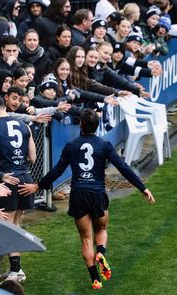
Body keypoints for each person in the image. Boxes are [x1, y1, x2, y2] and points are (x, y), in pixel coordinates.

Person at [18, 109, 155, 290]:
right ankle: (101, 252)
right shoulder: (104, 145)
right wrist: (142, 187)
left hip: (79, 194)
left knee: (85, 238)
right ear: (97, 125)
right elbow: (122, 167)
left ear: (81, 124)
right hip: (97, 193)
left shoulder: (71, 146)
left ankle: (95, 279)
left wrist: (38, 186)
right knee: (102, 228)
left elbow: (57, 171)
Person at [0, 95, 37, 282]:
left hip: (8, 178)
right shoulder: (25, 126)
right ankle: (16, 269)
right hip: (25, 177)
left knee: (8, 225)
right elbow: (33, 158)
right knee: (16, 222)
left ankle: (16, 271)